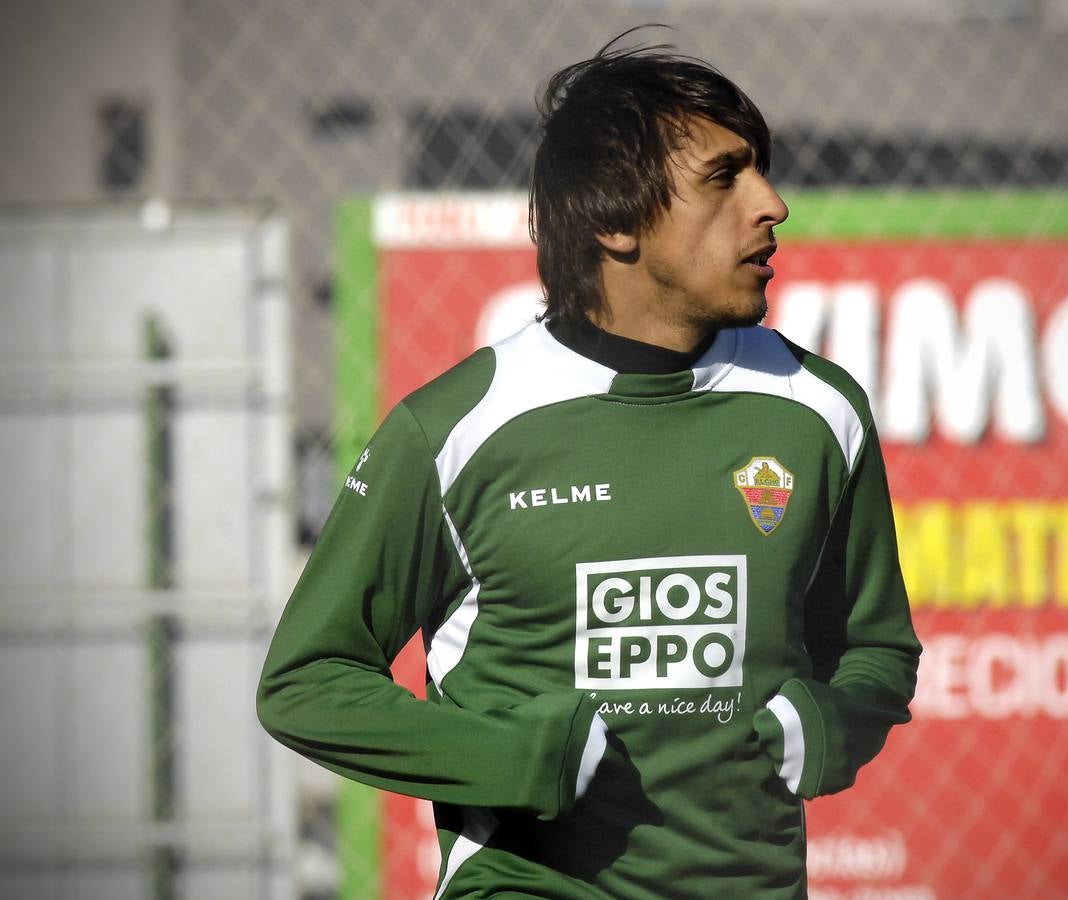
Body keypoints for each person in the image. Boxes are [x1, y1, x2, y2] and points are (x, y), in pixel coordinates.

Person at [257, 29, 921, 900]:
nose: (771, 204)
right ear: (613, 219)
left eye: (759, 169)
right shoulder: (454, 428)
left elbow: (873, 646)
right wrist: (508, 758)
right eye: (724, 177)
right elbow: (306, 682)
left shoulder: (818, 410)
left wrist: (831, 721)